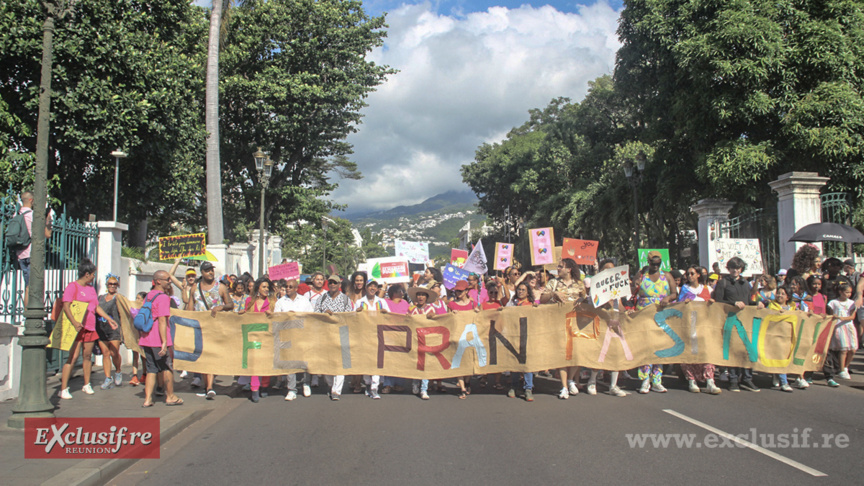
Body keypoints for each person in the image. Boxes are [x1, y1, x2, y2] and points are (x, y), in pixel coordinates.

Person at [58, 259, 119, 399]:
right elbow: (66, 305)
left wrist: (109, 319)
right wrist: (74, 322)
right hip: (77, 327)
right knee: (72, 357)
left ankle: (86, 384)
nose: (93, 277)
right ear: (86, 274)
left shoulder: (91, 289)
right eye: (92, 274)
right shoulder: (72, 287)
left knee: (87, 356)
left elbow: (96, 307)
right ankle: (64, 388)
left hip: (90, 326)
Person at [712, 256, 760, 392]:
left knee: (747, 349)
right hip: (730, 319)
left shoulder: (745, 283)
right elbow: (718, 301)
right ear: (729, 268)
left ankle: (747, 378)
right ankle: (733, 379)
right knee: (733, 349)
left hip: (745, 321)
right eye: (733, 268)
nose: (735, 270)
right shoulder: (723, 283)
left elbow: (748, 301)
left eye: (738, 268)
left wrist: (757, 304)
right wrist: (733, 304)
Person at [542, 258, 587, 397]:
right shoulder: (553, 283)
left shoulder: (579, 284)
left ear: (569, 269)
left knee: (577, 352)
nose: (558, 268)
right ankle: (564, 387)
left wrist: (582, 303)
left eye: (561, 266)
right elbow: (542, 299)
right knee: (561, 353)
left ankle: (570, 379)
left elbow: (586, 300)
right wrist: (553, 294)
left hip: (575, 322)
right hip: (558, 323)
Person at [634, 251, 678, 394]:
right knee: (646, 346)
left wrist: (669, 298)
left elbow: (674, 293)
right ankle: (645, 378)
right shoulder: (641, 274)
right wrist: (635, 285)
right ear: (648, 262)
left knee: (659, 346)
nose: (655, 266)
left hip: (661, 315)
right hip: (644, 315)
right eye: (653, 263)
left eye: (658, 264)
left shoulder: (666, 276)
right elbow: (631, 290)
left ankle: (657, 379)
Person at [189, 261, 234, 397]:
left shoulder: (220, 288)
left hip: (216, 328)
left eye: (212, 270)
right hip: (200, 328)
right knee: (203, 357)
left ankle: (209, 386)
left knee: (212, 356)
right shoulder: (194, 289)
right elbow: (190, 308)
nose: (210, 272)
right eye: (207, 270)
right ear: (202, 272)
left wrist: (222, 307)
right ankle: (208, 386)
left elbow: (230, 304)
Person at [139, 270, 183, 407]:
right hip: (158, 339)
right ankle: (170, 396)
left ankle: (147, 399)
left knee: (151, 369)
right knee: (167, 368)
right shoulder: (163, 298)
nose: (170, 282)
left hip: (146, 339)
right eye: (167, 280)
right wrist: (164, 342)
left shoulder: (148, 296)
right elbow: (162, 321)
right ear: (158, 281)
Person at [676, 265, 721, 394]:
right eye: (688, 274)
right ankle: (691, 379)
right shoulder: (684, 289)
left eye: (692, 273)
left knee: (707, 352)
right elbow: (679, 306)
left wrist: (712, 303)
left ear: (698, 275)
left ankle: (710, 380)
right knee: (690, 351)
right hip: (690, 325)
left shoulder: (707, 289)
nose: (689, 276)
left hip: (704, 325)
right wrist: (685, 303)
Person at [273, 279, 314, 401]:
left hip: (302, 335)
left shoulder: (304, 300)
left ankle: (306, 384)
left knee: (304, 360)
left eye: (291, 287)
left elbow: (311, 316)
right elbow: (276, 318)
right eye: (286, 287)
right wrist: (286, 316)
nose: (288, 288)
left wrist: (297, 315)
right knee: (289, 361)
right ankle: (291, 389)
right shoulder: (280, 302)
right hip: (287, 335)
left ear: (296, 289)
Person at [313, 275, 352, 400]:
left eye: (335, 283)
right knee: (327, 362)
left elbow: (350, 317)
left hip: (341, 334)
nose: (332, 285)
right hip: (326, 335)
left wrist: (336, 316)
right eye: (330, 282)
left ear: (339, 285)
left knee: (341, 363)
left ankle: (336, 390)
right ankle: (331, 385)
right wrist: (324, 315)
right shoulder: (322, 298)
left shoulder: (346, 299)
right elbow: (315, 315)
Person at [355, 280, 389, 399]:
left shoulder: (382, 302)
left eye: (375, 286)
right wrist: (357, 313)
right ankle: (368, 384)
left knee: (377, 361)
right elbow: (354, 319)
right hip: (364, 335)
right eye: (370, 286)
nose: (373, 288)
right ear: (366, 288)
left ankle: (374, 388)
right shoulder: (360, 302)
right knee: (366, 360)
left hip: (378, 335)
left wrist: (385, 313)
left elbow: (390, 318)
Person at [243, 277, 275, 402]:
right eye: (263, 287)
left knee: (266, 362)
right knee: (255, 363)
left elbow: (278, 317)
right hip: (253, 337)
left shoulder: (272, 302)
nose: (266, 289)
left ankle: (265, 386)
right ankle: (254, 388)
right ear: (258, 288)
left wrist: (273, 315)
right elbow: (245, 317)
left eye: (267, 287)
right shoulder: (249, 301)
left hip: (267, 336)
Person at [505, 281, 537, 401]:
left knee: (527, 363)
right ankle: (514, 386)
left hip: (527, 336)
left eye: (523, 290)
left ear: (528, 292)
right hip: (514, 335)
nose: (520, 292)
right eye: (519, 289)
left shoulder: (531, 304)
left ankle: (528, 388)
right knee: (515, 362)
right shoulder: (512, 303)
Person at [14, 190, 53, 288]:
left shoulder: (16, 215)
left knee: (28, 286)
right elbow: (47, 234)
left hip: (20, 254)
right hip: (33, 253)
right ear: (31, 200)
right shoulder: (34, 216)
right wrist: (48, 223)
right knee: (34, 288)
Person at [407, 285, 438, 400]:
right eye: (419, 295)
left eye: (423, 295)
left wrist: (432, 317)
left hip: (427, 339)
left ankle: (424, 389)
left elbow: (437, 322)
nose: (420, 297)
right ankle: (415, 383)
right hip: (415, 339)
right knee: (416, 363)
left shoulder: (431, 309)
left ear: (426, 297)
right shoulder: (412, 309)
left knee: (426, 365)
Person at [448, 280, 476, 399]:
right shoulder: (452, 304)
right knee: (458, 361)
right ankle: (463, 388)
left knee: (469, 361)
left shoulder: (473, 304)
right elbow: (447, 320)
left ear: (466, 291)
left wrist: (477, 313)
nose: (458, 293)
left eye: (460, 291)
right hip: (457, 336)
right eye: (456, 291)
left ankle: (467, 381)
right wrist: (451, 315)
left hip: (470, 336)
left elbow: (480, 318)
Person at [95, 274, 124, 390]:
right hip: (101, 328)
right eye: (110, 284)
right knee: (105, 353)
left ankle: (118, 371)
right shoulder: (100, 298)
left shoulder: (119, 298)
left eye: (115, 284)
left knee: (114, 352)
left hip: (114, 329)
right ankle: (108, 377)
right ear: (107, 285)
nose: (112, 286)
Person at [827, 282, 857, 381]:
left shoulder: (851, 303)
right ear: (840, 292)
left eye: (850, 292)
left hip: (848, 326)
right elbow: (831, 315)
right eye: (846, 292)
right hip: (838, 327)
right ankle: (841, 370)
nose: (848, 294)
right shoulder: (833, 302)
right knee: (843, 349)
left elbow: (852, 316)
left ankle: (845, 366)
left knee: (852, 349)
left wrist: (841, 318)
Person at [127, 291, 147, 386]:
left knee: (144, 356)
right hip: (135, 335)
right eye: (136, 298)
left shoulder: (146, 309)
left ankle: (144, 374)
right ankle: (134, 375)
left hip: (143, 335)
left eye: (139, 298)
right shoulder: (133, 309)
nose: (137, 300)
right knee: (135, 354)